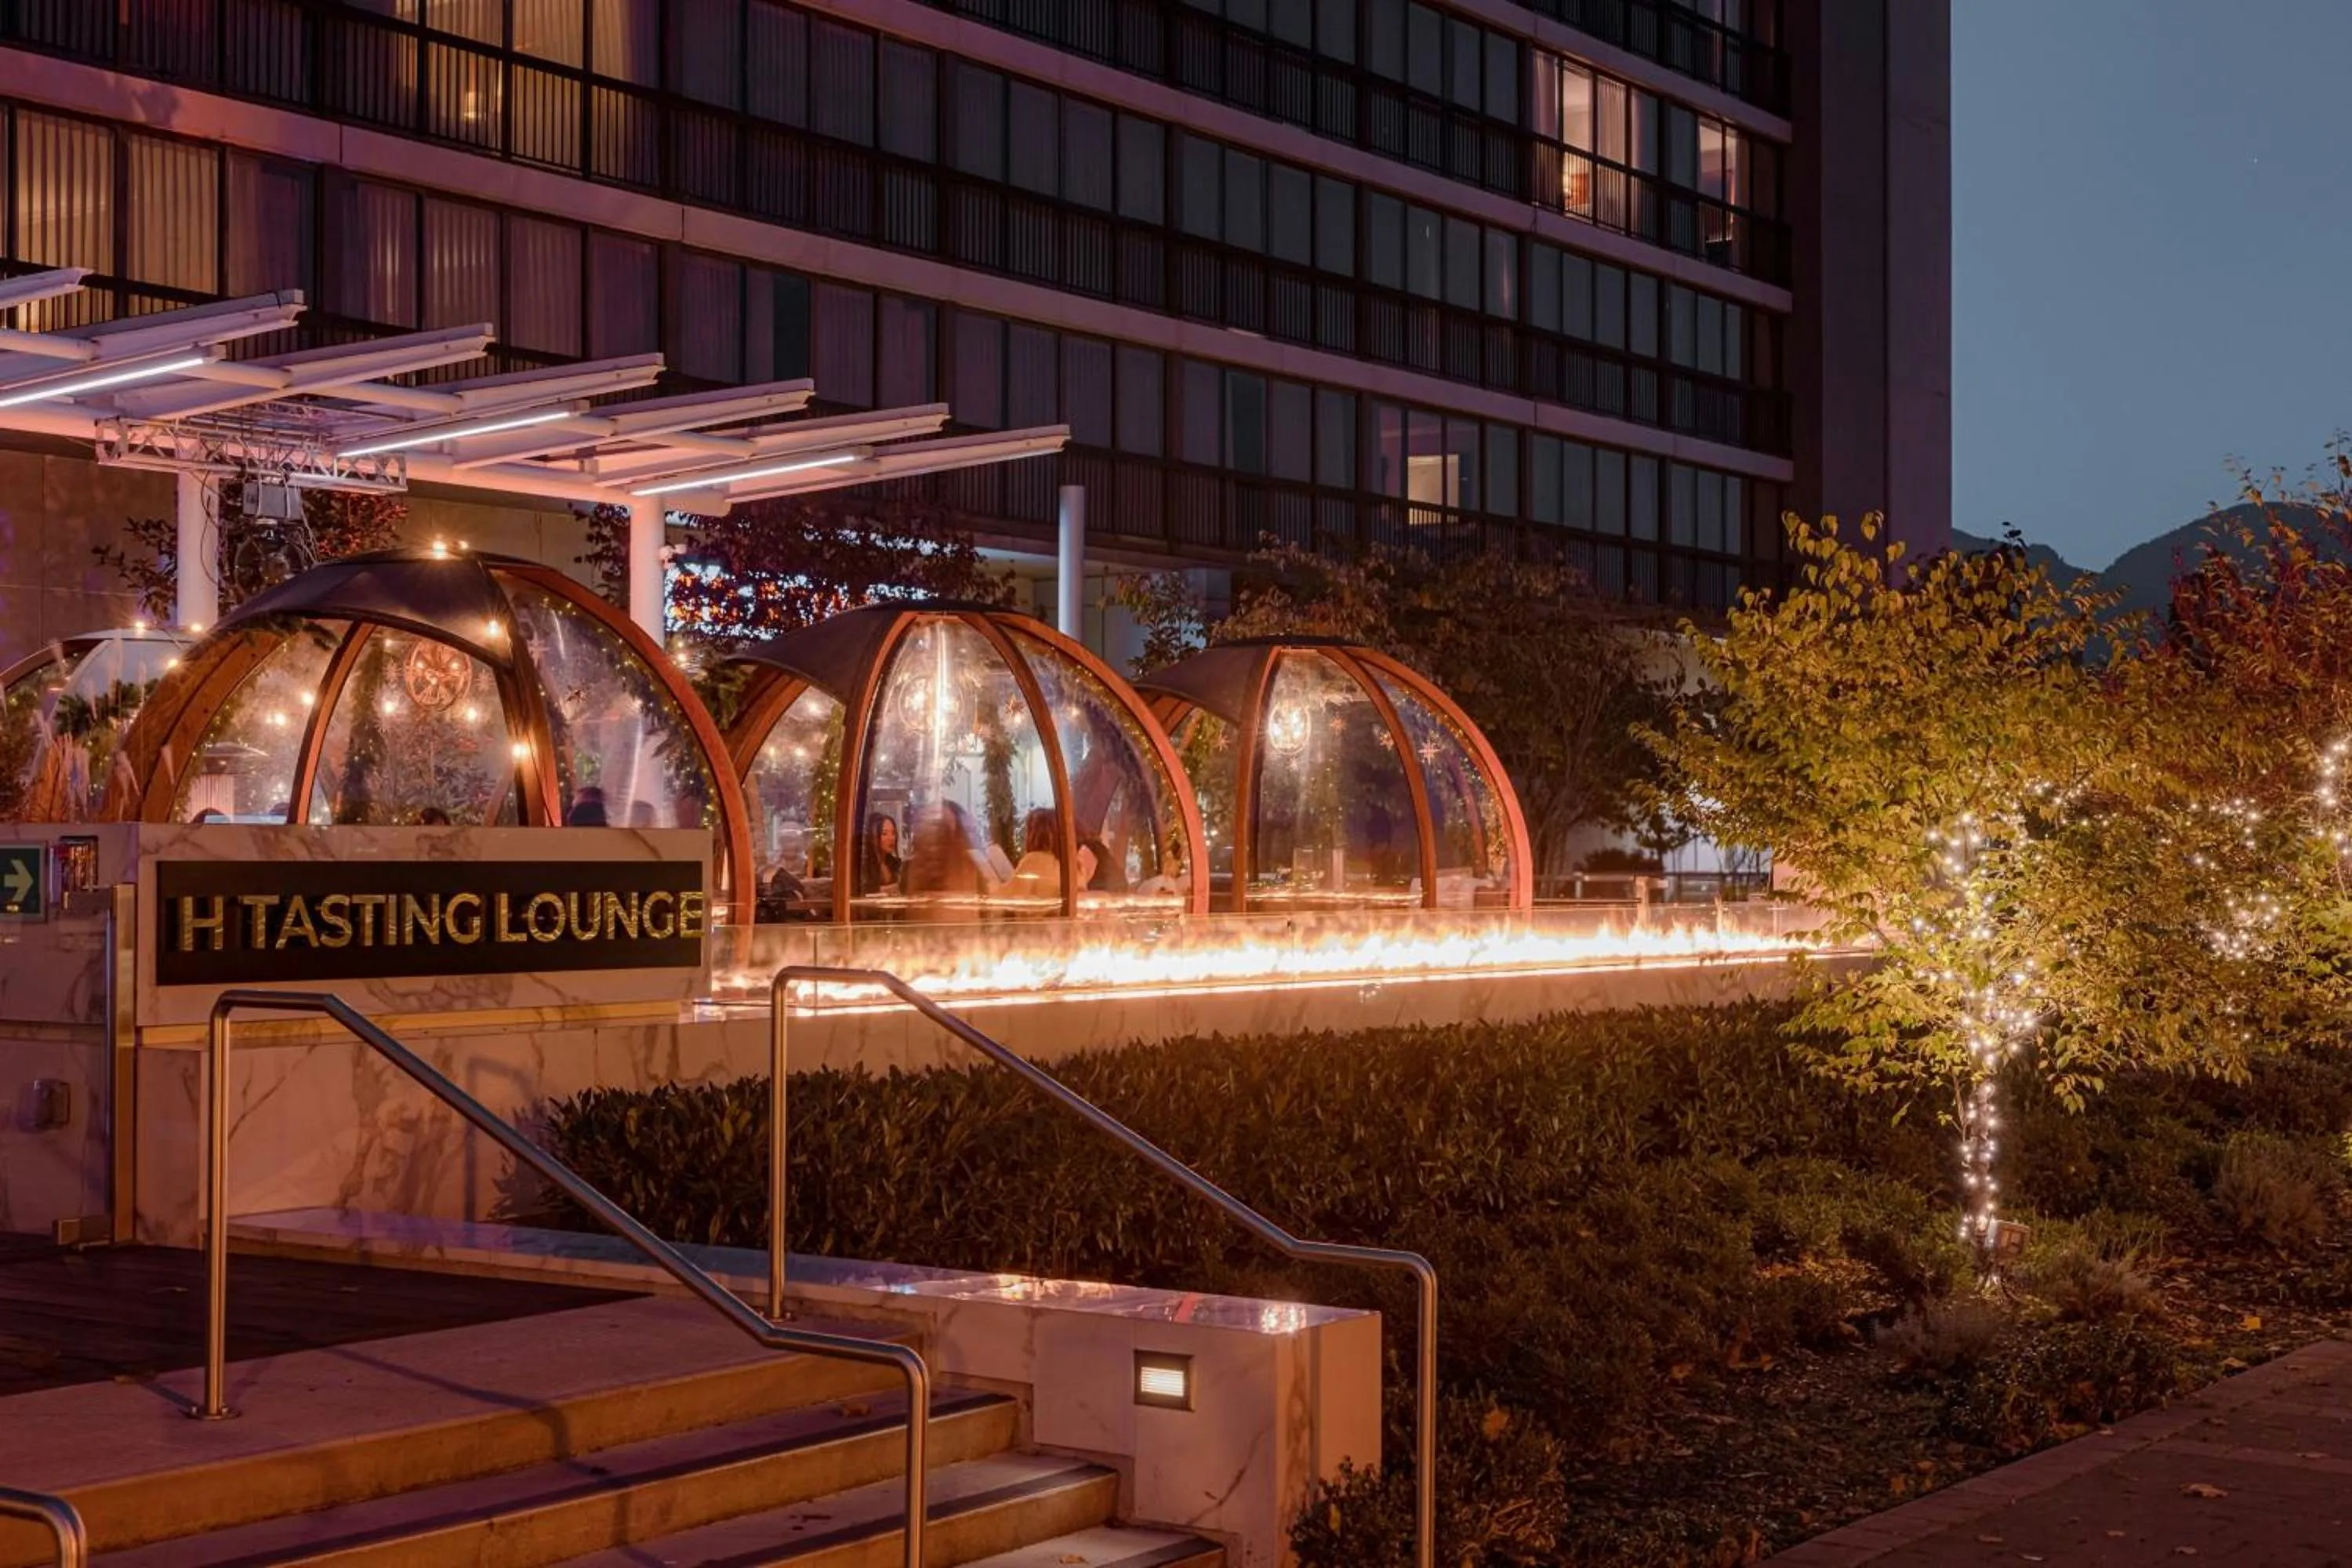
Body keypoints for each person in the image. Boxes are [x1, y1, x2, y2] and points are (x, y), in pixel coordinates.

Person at [902, 801, 992, 920]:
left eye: (945, 829)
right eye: (934, 827)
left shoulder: (969, 869)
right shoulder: (911, 870)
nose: (938, 838)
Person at [858, 812, 902, 895]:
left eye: (893, 833)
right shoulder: (863, 866)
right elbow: (863, 891)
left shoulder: (896, 864)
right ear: (872, 836)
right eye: (884, 834)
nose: (891, 838)